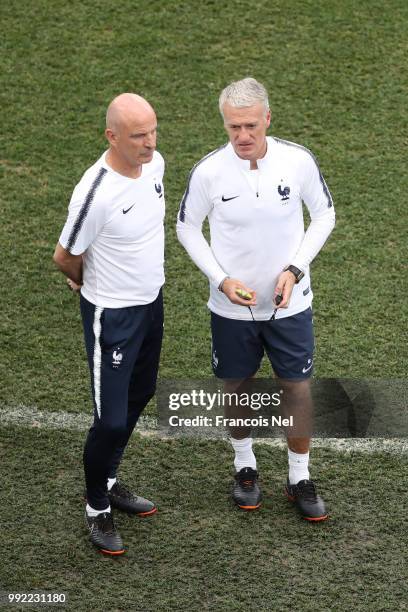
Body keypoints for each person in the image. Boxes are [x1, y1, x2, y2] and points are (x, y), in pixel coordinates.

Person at [177, 77, 335, 521]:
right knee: (237, 386)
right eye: (233, 128)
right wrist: (221, 278)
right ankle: (244, 466)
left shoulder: (297, 161)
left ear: (267, 118)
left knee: (296, 389)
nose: (242, 136)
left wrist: (295, 268)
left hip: (291, 303)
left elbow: (324, 214)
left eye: (250, 125)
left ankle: (299, 476)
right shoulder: (209, 171)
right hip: (231, 308)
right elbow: (187, 226)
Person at [53, 93, 165, 554]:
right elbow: (65, 256)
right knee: (111, 419)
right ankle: (97, 506)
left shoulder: (155, 165)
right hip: (112, 317)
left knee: (141, 393)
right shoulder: (94, 193)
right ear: (111, 136)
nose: (149, 142)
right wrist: (87, 285)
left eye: (153, 131)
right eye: (138, 135)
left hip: (151, 304)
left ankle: (110, 477)